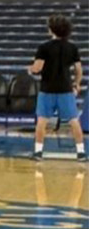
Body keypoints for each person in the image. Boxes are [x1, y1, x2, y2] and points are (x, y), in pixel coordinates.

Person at [30, 14, 85, 161]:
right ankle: (81, 153)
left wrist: (30, 69)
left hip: (47, 89)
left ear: (51, 29)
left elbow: (37, 68)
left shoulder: (44, 47)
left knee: (42, 121)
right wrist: (77, 83)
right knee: (74, 120)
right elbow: (79, 69)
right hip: (66, 89)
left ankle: (38, 152)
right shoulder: (72, 47)